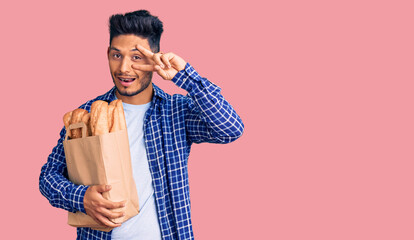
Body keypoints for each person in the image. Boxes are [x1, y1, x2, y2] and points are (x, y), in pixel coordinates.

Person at [39, 9, 244, 240]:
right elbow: (48, 177)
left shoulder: (176, 111)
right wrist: (81, 197)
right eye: (117, 56)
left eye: (136, 57)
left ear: (155, 58)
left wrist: (185, 76)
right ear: (107, 54)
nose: (124, 68)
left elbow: (230, 128)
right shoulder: (84, 115)